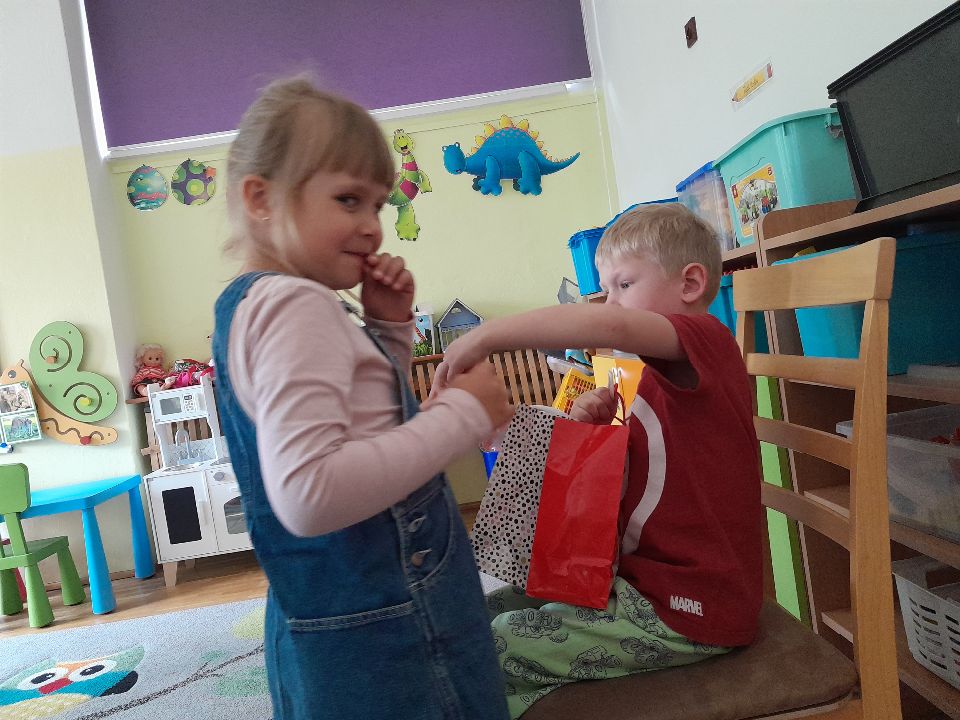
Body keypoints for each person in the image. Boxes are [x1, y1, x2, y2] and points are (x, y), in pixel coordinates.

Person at [210, 76, 513, 720]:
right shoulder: (297, 305)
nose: (373, 228)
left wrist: (388, 331)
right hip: (393, 626)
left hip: (326, 615)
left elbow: (359, 426)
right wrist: (462, 414)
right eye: (349, 200)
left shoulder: (248, 303)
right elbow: (311, 491)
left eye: (378, 205)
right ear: (261, 199)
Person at [433, 203, 762, 717]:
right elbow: (647, 477)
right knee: (472, 614)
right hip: (642, 582)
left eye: (623, 285)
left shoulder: (708, 340)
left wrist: (485, 335)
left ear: (691, 283)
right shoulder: (657, 375)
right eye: (607, 290)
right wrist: (593, 426)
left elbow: (611, 326)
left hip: (692, 607)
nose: (611, 303)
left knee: (491, 647)